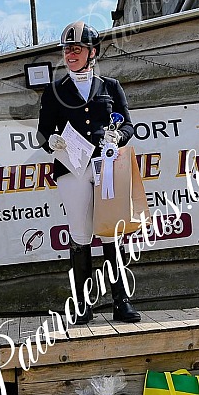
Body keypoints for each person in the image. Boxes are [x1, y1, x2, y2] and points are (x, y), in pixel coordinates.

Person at [37, 21, 141, 325]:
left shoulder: (110, 86)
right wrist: (51, 142)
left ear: (92, 52)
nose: (70, 53)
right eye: (67, 49)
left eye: (77, 48)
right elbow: (42, 134)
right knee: (80, 235)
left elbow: (129, 126)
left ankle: (121, 301)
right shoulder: (55, 90)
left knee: (112, 233)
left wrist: (117, 138)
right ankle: (82, 304)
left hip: (106, 166)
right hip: (72, 168)